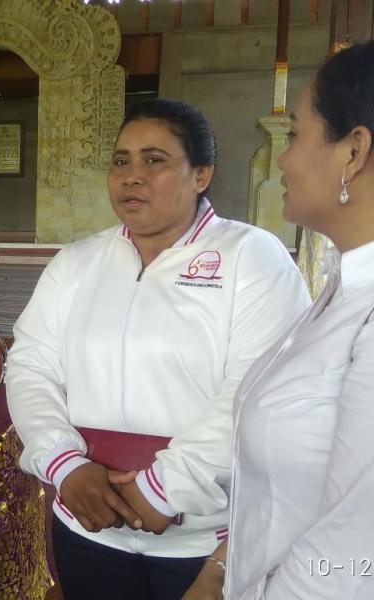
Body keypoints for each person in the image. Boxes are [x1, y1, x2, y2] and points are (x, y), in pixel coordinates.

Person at [6, 99, 310, 600]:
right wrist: (64, 463)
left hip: (203, 541)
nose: (132, 176)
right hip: (88, 527)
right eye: (120, 160)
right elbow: (30, 366)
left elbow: (260, 389)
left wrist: (165, 488)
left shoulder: (251, 258)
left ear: (201, 175)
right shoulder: (76, 263)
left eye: (155, 160)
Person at [185, 40, 374, 600]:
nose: (283, 159)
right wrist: (221, 569)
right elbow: (284, 493)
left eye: (294, 134)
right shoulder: (341, 287)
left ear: (353, 151)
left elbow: (352, 560)